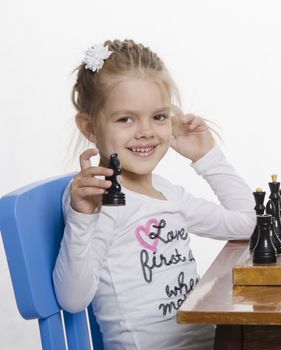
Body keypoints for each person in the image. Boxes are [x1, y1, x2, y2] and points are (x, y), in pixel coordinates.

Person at [53, 39, 256, 350]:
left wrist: (207, 156)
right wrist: (82, 217)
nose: (146, 131)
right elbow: (73, 298)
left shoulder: (166, 192)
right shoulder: (100, 201)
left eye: (158, 117)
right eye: (126, 119)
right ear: (90, 127)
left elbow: (249, 224)